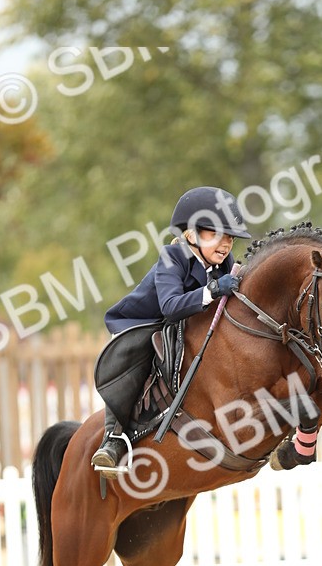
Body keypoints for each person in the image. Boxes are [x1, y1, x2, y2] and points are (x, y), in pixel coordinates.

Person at [91, 186, 251, 470]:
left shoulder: (223, 262)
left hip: (180, 324)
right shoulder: (172, 257)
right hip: (141, 322)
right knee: (138, 358)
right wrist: (213, 290)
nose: (226, 244)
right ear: (191, 234)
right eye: (216, 235)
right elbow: (171, 306)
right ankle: (113, 438)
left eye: (229, 237)